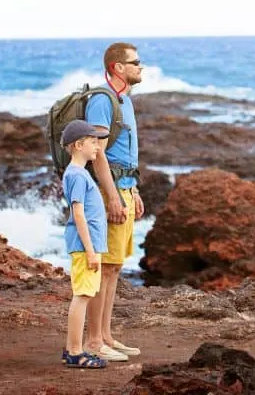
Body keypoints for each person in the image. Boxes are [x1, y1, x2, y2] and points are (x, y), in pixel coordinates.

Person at [84, 42, 144, 361]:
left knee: (115, 267)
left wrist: (132, 191)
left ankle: (106, 335)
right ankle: (93, 341)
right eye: (135, 62)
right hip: (108, 192)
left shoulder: (126, 101)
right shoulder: (101, 101)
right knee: (104, 267)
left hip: (125, 189)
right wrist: (111, 197)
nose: (141, 67)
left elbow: (125, 152)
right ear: (117, 67)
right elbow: (98, 154)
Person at [60, 120, 110, 369]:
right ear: (79, 145)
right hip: (84, 246)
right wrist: (90, 251)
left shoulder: (79, 174)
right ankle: (75, 351)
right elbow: (78, 213)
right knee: (82, 296)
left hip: (89, 245)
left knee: (84, 294)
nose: (98, 147)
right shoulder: (77, 175)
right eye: (93, 142)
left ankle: (72, 349)